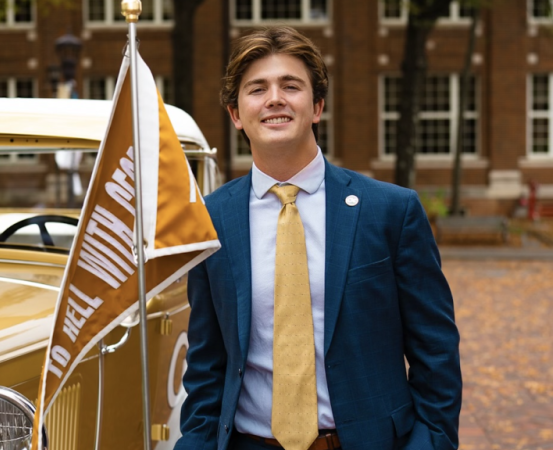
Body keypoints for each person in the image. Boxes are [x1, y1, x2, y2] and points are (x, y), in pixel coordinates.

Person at [176, 26, 461, 450]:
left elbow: (435, 353)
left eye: (291, 86)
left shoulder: (390, 212)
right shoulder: (212, 218)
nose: (275, 98)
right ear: (236, 114)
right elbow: (207, 360)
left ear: (317, 107)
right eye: (258, 89)